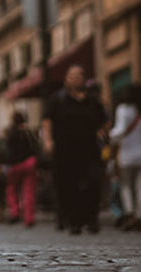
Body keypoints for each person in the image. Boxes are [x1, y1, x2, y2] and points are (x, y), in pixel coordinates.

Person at [42, 64, 107, 234]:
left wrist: (103, 132)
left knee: (93, 183)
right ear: (67, 79)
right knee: (68, 187)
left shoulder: (92, 100)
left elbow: (104, 121)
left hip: (90, 149)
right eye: (73, 76)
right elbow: (47, 121)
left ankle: (91, 219)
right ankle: (75, 222)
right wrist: (48, 141)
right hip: (65, 151)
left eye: (80, 75)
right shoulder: (57, 99)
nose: (77, 78)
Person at [109, 83, 141, 230]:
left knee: (126, 185)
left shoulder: (123, 109)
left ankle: (129, 213)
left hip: (127, 154)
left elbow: (120, 130)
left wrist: (110, 136)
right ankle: (139, 214)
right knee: (139, 186)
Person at [2, 110, 39, 228]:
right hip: (29, 162)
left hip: (15, 164)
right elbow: (36, 147)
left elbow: (6, 149)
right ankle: (29, 217)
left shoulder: (10, 132)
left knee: (11, 189)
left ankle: (15, 211)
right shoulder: (29, 132)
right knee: (29, 191)